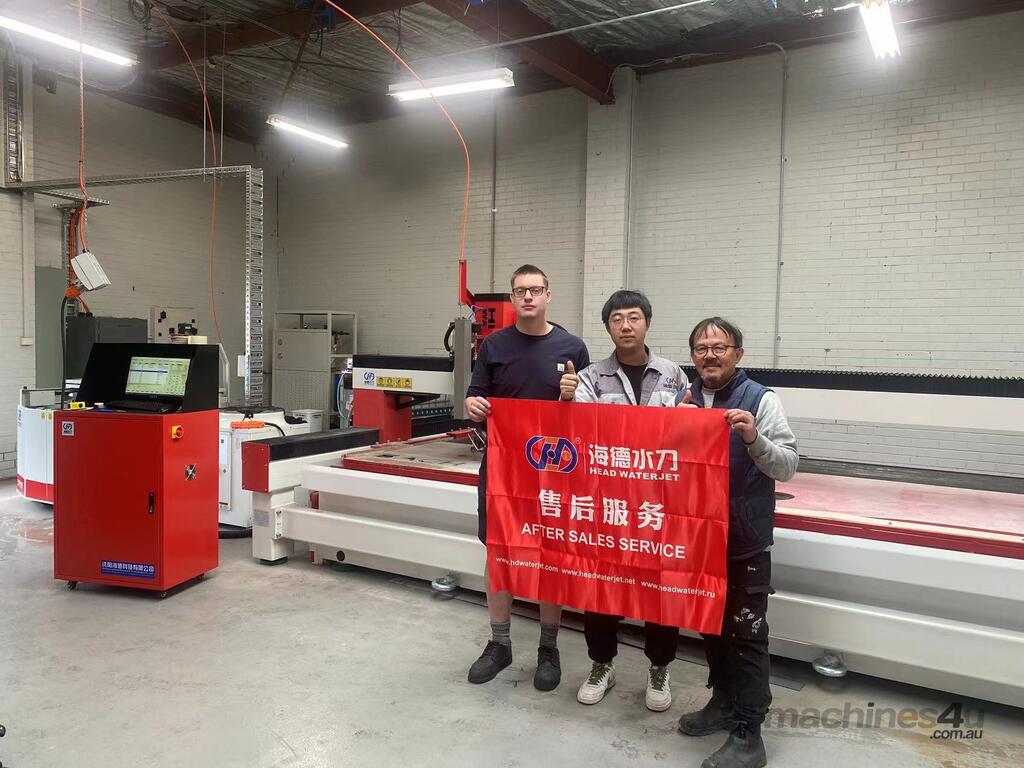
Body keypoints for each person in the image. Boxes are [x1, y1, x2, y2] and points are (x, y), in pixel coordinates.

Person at [675, 317, 798, 768]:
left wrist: (753, 437)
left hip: (743, 539)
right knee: (710, 625)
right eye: (701, 348)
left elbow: (787, 466)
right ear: (693, 356)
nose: (710, 355)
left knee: (747, 634)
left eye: (719, 347)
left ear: (738, 354)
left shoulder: (761, 399)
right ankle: (723, 702)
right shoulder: (682, 399)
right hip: (698, 537)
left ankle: (749, 733)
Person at [557, 289, 688, 712]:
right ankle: (602, 664)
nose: (626, 325)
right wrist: (565, 399)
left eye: (634, 317)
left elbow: (689, 433)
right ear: (608, 327)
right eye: (617, 319)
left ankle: (659, 667)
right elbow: (575, 433)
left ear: (647, 322)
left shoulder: (673, 376)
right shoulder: (590, 378)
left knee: (659, 588)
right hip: (607, 504)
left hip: (658, 504)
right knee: (601, 587)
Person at [464, 264, 590, 691]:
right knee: (499, 551)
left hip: (555, 472)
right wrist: (474, 406)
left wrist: (573, 398)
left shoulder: (572, 347)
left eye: (536, 290)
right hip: (503, 469)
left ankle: (548, 647)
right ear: (513, 298)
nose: (529, 297)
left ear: (548, 295)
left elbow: (591, 415)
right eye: (521, 291)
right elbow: (475, 396)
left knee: (550, 554)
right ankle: (500, 643)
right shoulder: (494, 346)